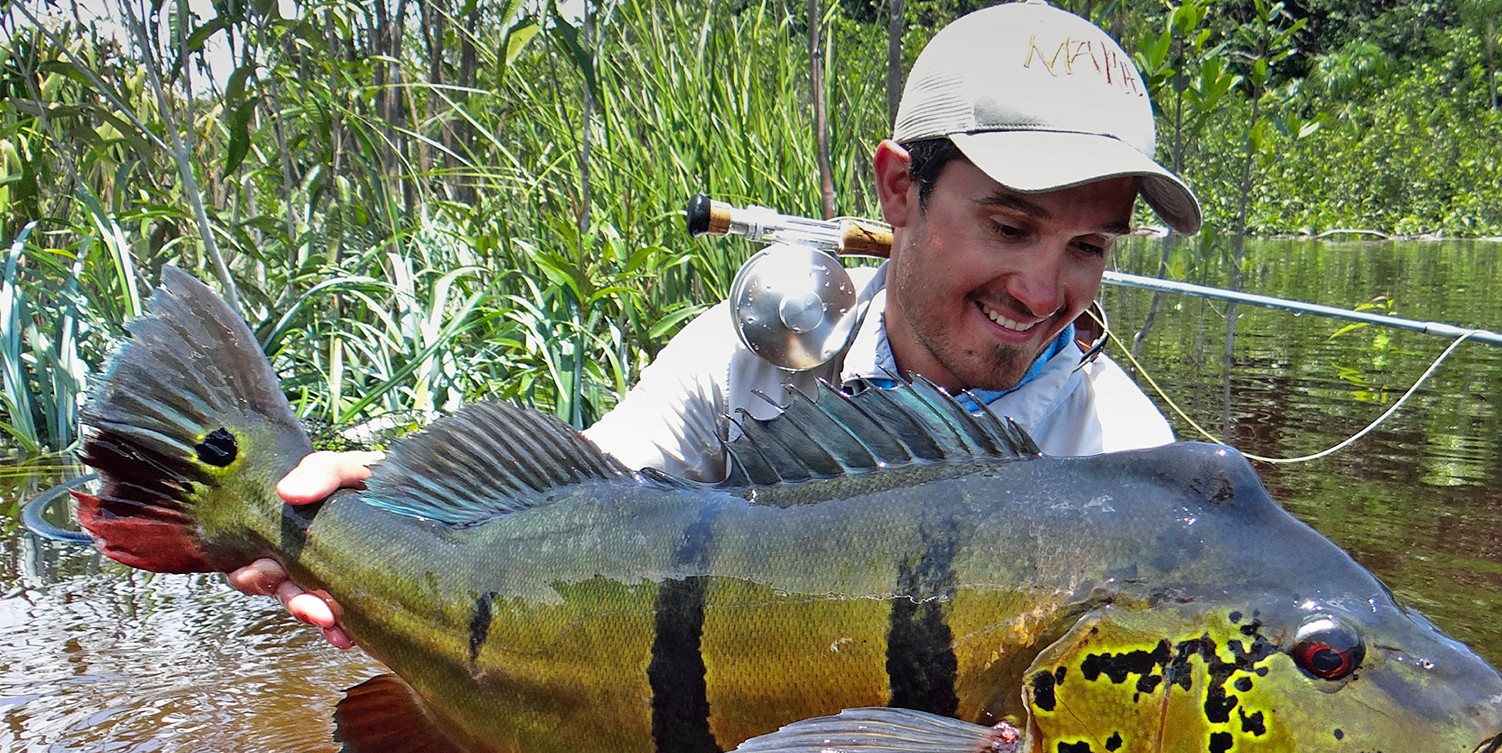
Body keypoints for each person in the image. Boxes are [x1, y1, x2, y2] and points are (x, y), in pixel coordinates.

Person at [229, 0, 1202, 648]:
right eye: (1010, 228)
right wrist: (381, 513)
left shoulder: (1127, 461)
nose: (1042, 292)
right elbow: (576, 515)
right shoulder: (746, 364)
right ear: (899, 188)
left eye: (1088, 247)